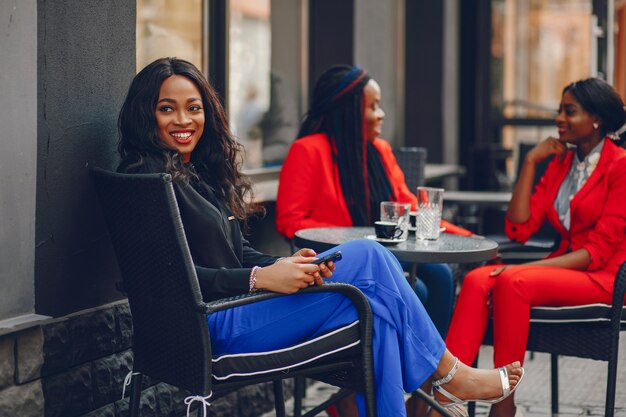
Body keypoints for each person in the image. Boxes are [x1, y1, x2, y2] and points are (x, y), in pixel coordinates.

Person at [116, 57, 524, 417]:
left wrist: (283, 265)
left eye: (194, 108)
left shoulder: (195, 173)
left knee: (376, 311)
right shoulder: (149, 181)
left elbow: (235, 249)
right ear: (145, 114)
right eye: (167, 109)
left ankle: (437, 384)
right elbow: (169, 279)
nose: (184, 121)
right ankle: (450, 375)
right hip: (211, 325)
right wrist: (259, 279)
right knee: (369, 255)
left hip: (239, 308)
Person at [442, 78, 626, 417]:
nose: (559, 118)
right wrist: (530, 163)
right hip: (566, 268)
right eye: (559, 110)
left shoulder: (621, 166)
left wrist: (523, 269)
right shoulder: (561, 164)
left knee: (514, 281)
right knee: (476, 280)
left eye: (569, 111)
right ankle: (445, 398)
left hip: (606, 277)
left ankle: (503, 404)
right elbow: (519, 226)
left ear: (597, 119)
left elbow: (596, 253)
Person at [276, 65, 471, 338]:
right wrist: (356, 237)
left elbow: (410, 207)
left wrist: (469, 238)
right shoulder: (307, 151)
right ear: (350, 111)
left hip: (389, 254)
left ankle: (432, 374)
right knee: (419, 289)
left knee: (440, 273)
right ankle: (402, 373)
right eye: (374, 107)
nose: (381, 115)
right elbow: (289, 221)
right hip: (333, 262)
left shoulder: (380, 150)